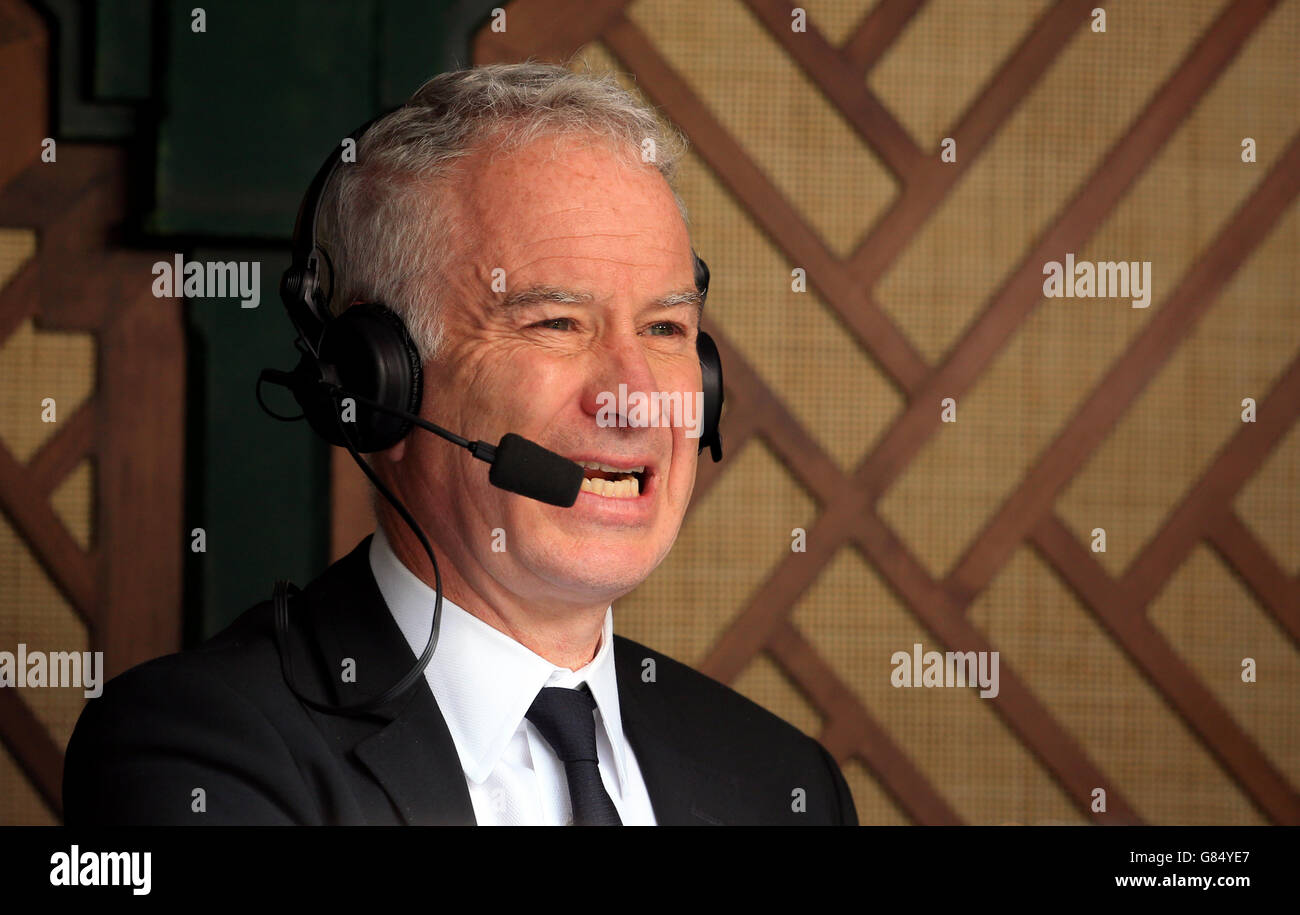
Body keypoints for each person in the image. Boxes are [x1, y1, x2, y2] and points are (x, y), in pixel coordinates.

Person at [62, 62, 858, 826]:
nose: (636, 397)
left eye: (665, 328)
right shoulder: (193, 750)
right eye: (557, 324)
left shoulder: (785, 782)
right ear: (379, 388)